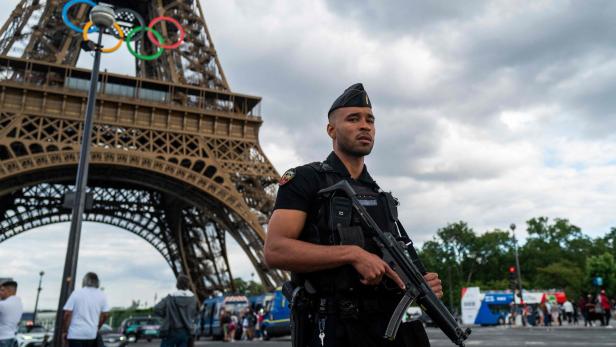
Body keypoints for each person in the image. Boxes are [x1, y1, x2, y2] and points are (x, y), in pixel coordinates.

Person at [265, 83, 443, 347]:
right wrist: (352, 254)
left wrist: (418, 283)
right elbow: (275, 250)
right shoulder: (305, 179)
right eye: (353, 119)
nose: (365, 126)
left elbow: (386, 264)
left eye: (370, 120)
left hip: (384, 327)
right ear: (331, 130)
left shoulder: (380, 196)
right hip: (333, 328)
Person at [62, 272, 110, 347]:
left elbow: (67, 314)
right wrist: (98, 326)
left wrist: (65, 330)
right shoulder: (102, 295)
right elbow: (106, 315)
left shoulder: (77, 293)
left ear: (84, 281)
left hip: (75, 334)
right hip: (91, 335)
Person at [153, 274, 198, 347]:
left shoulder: (170, 297)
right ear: (188, 284)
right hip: (186, 332)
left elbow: (157, 308)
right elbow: (193, 314)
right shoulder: (193, 298)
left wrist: (167, 315)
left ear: (177, 284)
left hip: (171, 331)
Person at [0, 280, 23, 347]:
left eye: (2, 290)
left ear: (9, 291)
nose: (0, 293)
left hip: (2, 340)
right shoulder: (19, 303)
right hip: (12, 338)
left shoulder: (4, 305)